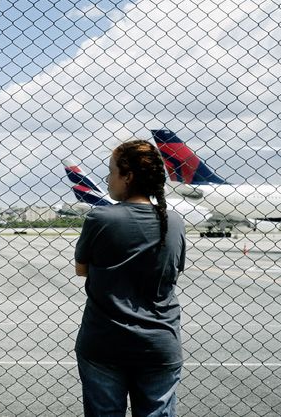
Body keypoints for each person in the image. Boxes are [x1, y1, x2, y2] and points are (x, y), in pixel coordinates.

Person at [74, 140, 186, 416]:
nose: (108, 178)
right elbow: (174, 269)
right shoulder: (174, 221)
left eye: (111, 171)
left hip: (105, 341)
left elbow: (81, 269)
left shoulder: (100, 217)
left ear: (128, 176)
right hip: (159, 342)